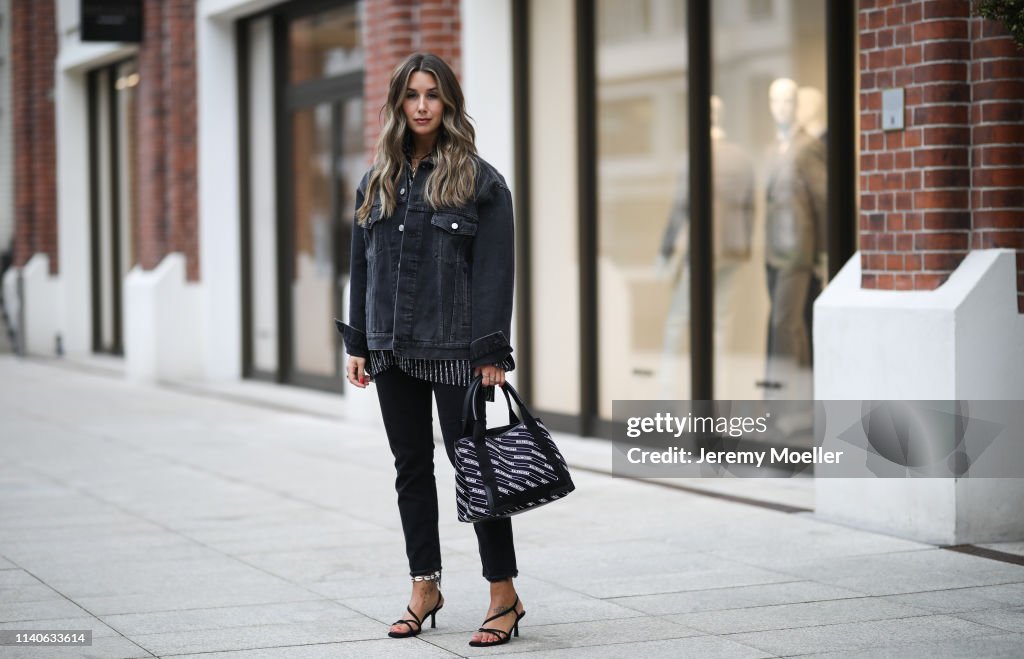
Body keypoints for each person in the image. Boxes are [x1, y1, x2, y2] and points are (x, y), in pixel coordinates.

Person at [335, 53, 526, 648]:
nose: (421, 106)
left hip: (455, 351)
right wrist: (360, 342)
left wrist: (491, 351)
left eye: (432, 96)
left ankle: (503, 595)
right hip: (392, 348)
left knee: (474, 468)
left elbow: (496, 273)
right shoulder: (377, 179)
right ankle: (425, 586)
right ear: (398, 102)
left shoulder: (479, 180)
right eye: (412, 95)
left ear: (448, 103)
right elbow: (361, 266)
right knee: (411, 469)